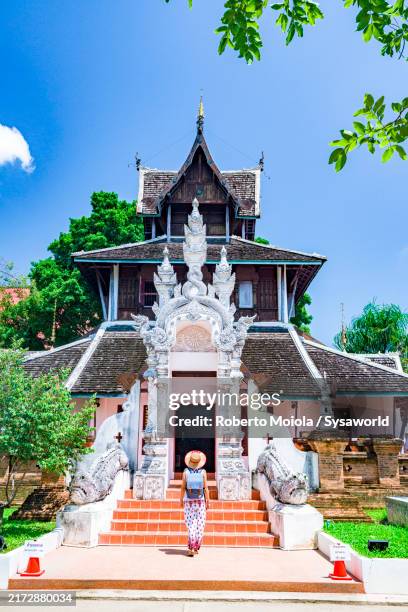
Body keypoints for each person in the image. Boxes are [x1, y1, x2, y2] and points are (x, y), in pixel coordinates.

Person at [180, 449, 209, 556]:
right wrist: (208, 500)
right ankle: (196, 548)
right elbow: (206, 488)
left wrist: (181, 500)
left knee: (191, 524)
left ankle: (191, 548)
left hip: (188, 501)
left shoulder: (186, 472)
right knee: (200, 524)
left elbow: (183, 487)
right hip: (201, 501)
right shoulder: (203, 472)